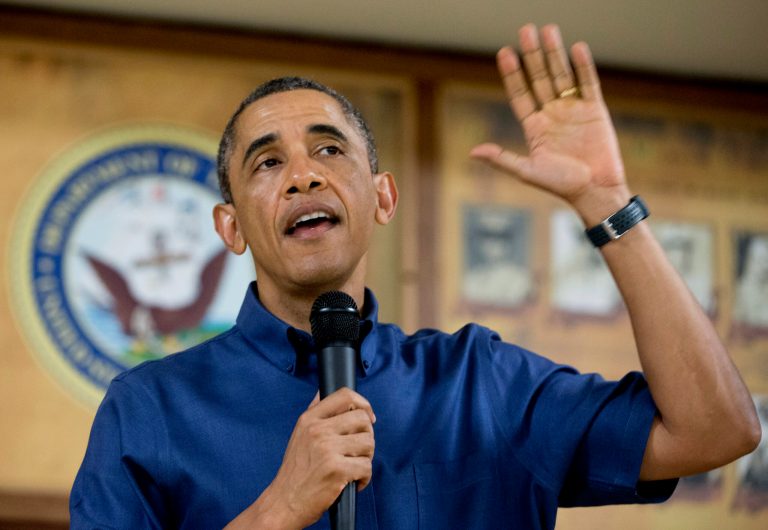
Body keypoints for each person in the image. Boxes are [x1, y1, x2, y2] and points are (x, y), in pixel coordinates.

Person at [70, 23, 760, 529]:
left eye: (329, 149)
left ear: (384, 197)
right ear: (231, 228)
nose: (304, 173)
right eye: (267, 163)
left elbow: (716, 431)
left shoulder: (480, 381)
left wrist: (607, 203)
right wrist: (278, 509)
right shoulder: (148, 411)